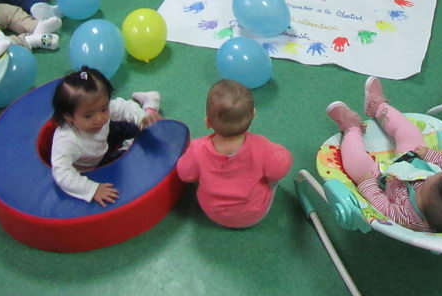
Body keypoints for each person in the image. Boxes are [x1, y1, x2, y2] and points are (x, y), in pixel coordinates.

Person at [326, 77, 442, 233]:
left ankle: (350, 128)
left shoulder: (410, 217)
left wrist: (368, 185)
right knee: (410, 131)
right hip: (413, 160)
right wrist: (431, 155)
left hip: (384, 178)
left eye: (431, 180)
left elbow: (384, 208)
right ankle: (378, 107)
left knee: (358, 166)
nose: (431, 176)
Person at [176, 79, 292, 229]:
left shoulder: (197, 148)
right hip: (254, 215)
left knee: (200, 172)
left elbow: (185, 174)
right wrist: (281, 154)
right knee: (273, 179)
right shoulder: (262, 147)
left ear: (208, 122)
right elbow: (279, 169)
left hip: (214, 214)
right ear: (254, 114)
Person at [49, 67, 162, 204]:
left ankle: (149, 107)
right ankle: (130, 141)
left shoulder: (98, 113)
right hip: (95, 164)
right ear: (68, 117)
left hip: (105, 138)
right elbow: (62, 174)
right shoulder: (67, 141)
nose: (99, 118)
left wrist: (142, 117)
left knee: (138, 125)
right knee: (128, 159)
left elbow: (123, 107)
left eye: (104, 109)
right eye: (88, 115)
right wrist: (92, 189)